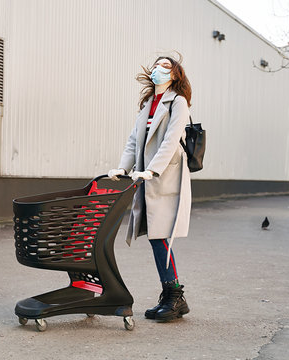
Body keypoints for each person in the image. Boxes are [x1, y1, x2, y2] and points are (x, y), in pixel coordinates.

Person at [107, 54, 192, 322]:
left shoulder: (178, 102)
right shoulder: (148, 104)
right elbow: (134, 140)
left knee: (160, 236)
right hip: (146, 176)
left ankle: (174, 296)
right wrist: (123, 167)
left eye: (166, 66)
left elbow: (170, 141)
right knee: (157, 236)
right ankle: (172, 296)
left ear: (176, 74)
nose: (159, 69)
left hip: (166, 177)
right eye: (157, 65)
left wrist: (153, 170)